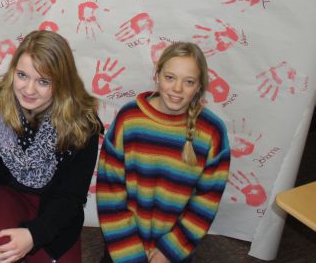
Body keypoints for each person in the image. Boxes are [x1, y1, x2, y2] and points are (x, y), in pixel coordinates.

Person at [0, 31, 101, 263]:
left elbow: (72, 197)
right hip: (9, 195)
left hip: (56, 207)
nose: (29, 89)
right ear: (13, 70)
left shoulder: (83, 124)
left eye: (43, 81)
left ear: (61, 83)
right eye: (22, 75)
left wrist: (34, 235)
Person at [97, 42, 231, 263]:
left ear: (199, 86)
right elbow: (110, 189)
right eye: (170, 77)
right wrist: (130, 253)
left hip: (174, 250)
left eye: (188, 82)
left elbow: (206, 200)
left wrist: (169, 251)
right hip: (122, 244)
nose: (177, 89)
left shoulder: (212, 132)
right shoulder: (129, 119)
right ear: (157, 75)